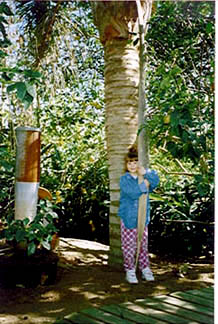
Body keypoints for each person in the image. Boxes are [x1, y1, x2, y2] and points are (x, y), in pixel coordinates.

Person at [118, 146, 159, 284]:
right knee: (129, 246)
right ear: (126, 165)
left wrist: (146, 173)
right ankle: (130, 270)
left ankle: (145, 268)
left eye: (135, 162)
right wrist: (144, 185)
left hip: (143, 218)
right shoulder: (125, 179)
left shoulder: (143, 176)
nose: (133, 165)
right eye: (130, 163)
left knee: (143, 245)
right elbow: (133, 192)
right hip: (128, 218)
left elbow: (156, 179)